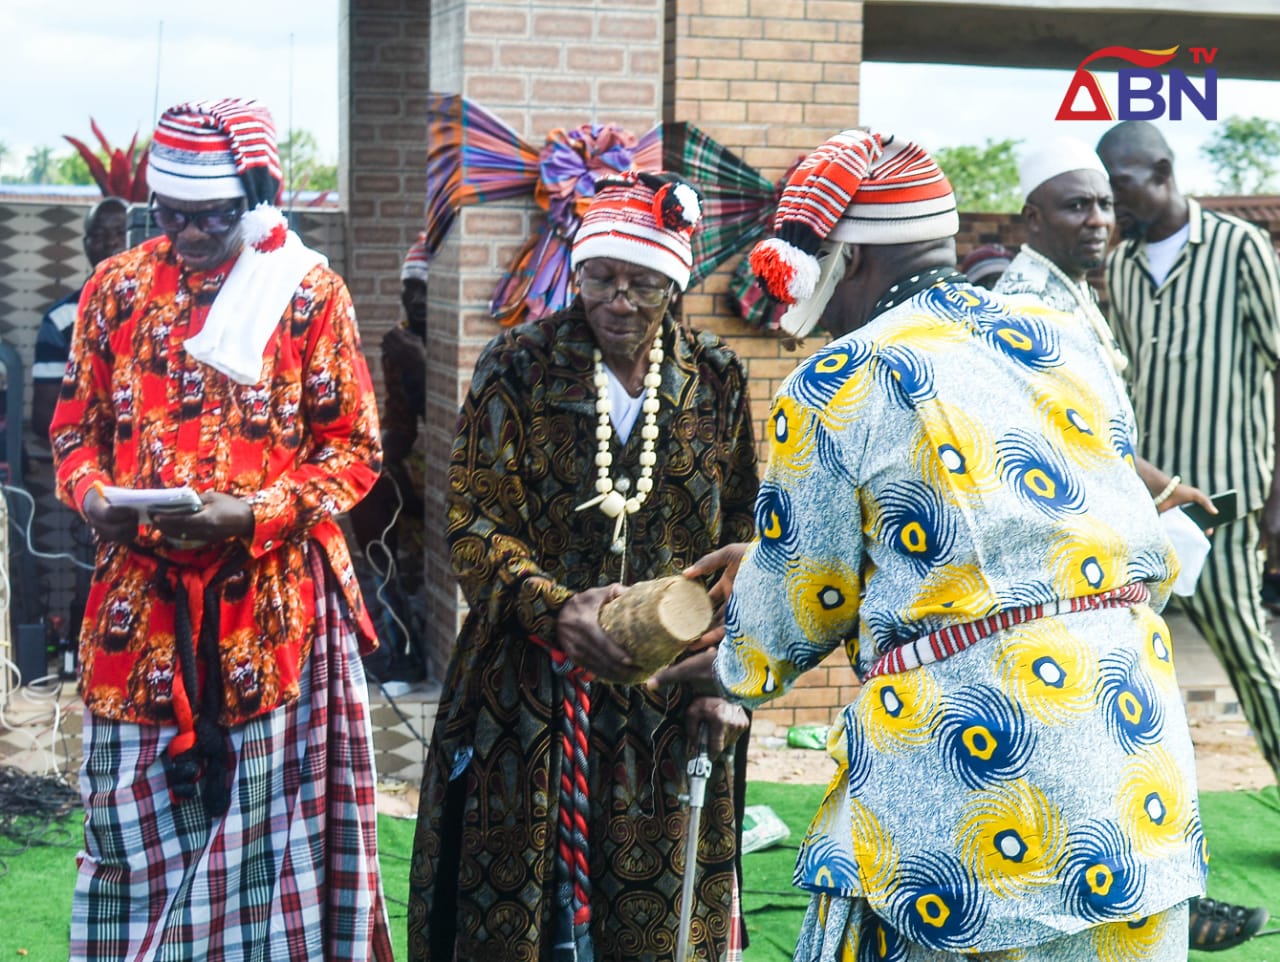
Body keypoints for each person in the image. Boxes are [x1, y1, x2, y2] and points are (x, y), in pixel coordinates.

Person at [704, 129, 1207, 960]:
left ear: (849, 260)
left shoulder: (840, 378)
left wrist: (723, 661)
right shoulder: (1060, 338)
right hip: (1134, 765)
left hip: (974, 786)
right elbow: (1040, 542)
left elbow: (790, 615)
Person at [50, 98, 392, 961]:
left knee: (261, 854)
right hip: (137, 614)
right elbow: (73, 429)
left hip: (267, 614)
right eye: (173, 215)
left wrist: (253, 513)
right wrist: (91, 495)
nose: (193, 233)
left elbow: (353, 450)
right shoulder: (117, 287)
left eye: (214, 215)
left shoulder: (306, 292)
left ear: (255, 201)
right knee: (125, 838)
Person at [407, 171, 760, 962]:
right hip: (526, 692)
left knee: (657, 922)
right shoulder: (517, 365)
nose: (618, 301)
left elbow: (745, 533)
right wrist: (554, 609)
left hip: (670, 696)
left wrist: (729, 678)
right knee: (517, 920)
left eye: (642, 283)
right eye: (600, 278)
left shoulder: (717, 377)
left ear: (676, 282)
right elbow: (472, 522)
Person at [1097, 120, 1280, 949]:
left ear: (1162, 172)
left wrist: (1277, 501)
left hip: (1228, 505)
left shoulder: (1241, 248)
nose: (1112, 205)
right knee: (1133, 674)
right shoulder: (1123, 266)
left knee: (1251, 661)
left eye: (1121, 187)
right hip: (1149, 513)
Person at [995, 137, 1215, 518]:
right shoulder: (1023, 305)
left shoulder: (1072, 284)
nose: (1098, 220)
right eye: (1077, 206)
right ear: (1033, 218)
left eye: (1105, 204)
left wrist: (1158, 491)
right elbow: (1063, 436)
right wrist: (1156, 490)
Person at [348, 232, 430, 683]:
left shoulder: (447, 346)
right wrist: (372, 456)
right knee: (369, 494)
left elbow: (455, 421)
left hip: (449, 461)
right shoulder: (400, 342)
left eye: (423, 289)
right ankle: (394, 633)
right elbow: (401, 422)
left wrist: (423, 366)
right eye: (408, 290)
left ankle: (405, 638)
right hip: (419, 459)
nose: (414, 300)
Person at [32, 196, 130, 442]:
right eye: (99, 235)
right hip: (89, 451)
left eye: (121, 232)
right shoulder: (61, 319)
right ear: (86, 245)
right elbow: (43, 417)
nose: (111, 242)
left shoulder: (163, 309)